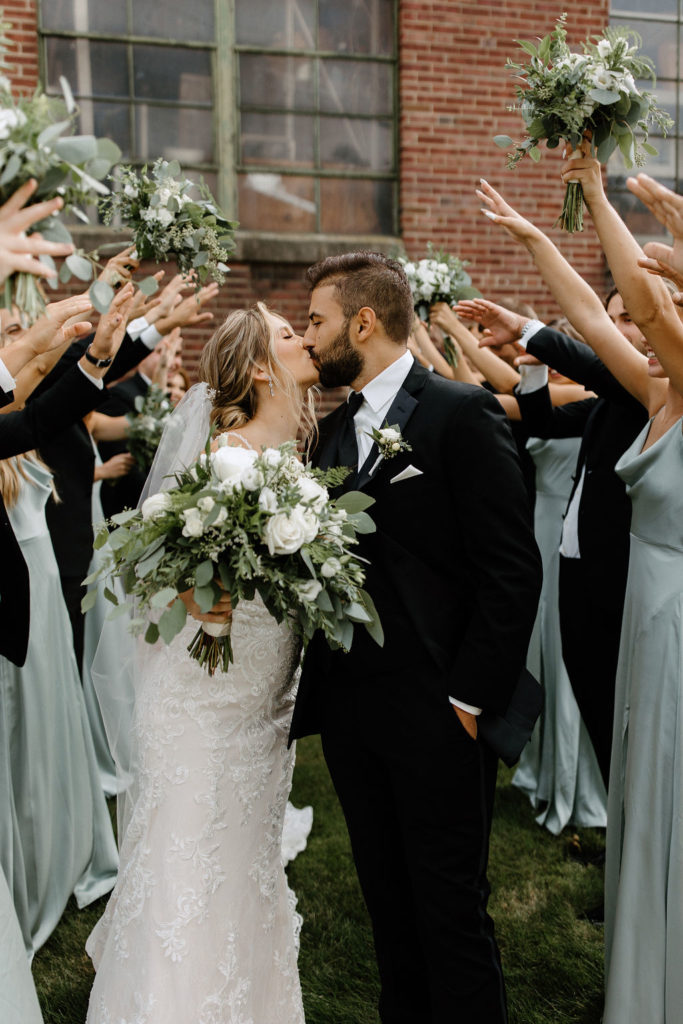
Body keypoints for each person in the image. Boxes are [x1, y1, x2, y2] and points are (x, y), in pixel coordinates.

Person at [290, 251, 542, 1024]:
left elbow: (510, 569)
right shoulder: (330, 434)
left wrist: (468, 696)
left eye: (317, 321)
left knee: (449, 911)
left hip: (441, 710)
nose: (309, 337)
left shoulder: (458, 412)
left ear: (362, 322)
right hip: (355, 713)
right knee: (387, 908)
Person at [477, 168, 683, 1024]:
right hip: (646, 613)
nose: (651, 315)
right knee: (640, 782)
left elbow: (631, 296)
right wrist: (534, 239)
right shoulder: (654, 391)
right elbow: (601, 319)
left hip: (673, 620)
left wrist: (600, 198)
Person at [85, 303, 318, 1024]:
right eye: (287, 334)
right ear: (256, 367)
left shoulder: (291, 458)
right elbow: (170, 572)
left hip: (262, 701)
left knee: (243, 860)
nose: (304, 339)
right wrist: (204, 595)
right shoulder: (226, 463)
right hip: (206, 699)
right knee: (189, 858)